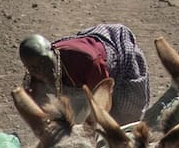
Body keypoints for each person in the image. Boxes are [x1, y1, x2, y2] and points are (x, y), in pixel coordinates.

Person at [18, 23, 153, 123]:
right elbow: (36, 109)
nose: (42, 70)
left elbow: (101, 103)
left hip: (118, 73)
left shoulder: (88, 62)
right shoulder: (33, 76)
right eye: (35, 68)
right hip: (85, 85)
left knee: (123, 121)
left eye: (44, 62)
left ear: (53, 53)